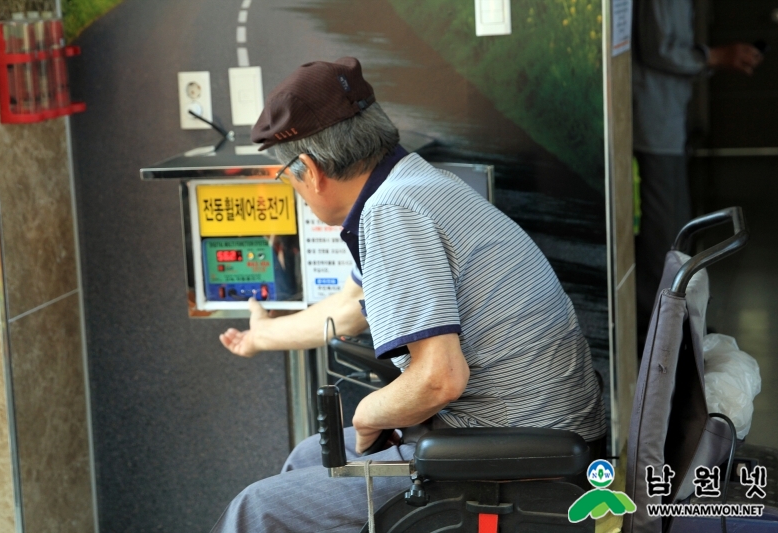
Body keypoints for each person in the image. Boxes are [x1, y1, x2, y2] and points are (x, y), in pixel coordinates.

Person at [212, 57, 606, 533]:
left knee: (257, 509)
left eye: (287, 177)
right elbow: (349, 309)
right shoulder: (413, 182)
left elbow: (440, 379)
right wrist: (262, 336)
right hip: (541, 432)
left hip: (512, 458)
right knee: (305, 457)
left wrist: (368, 411)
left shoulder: (391, 213)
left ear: (310, 171)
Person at [633, 0, 762, 350]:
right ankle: (660, 333)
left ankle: (674, 327)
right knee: (665, 230)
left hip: (669, 119)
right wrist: (717, 56)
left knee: (673, 226)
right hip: (654, 122)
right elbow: (659, 49)